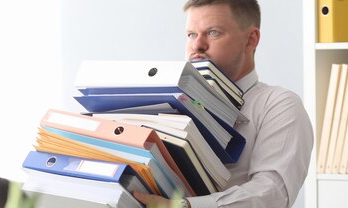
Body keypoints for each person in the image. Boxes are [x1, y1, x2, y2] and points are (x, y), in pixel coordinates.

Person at [133, 0, 314, 207]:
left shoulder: (279, 105)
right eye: (191, 34)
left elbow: (271, 194)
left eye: (213, 32)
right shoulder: (170, 103)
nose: (197, 45)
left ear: (250, 40)